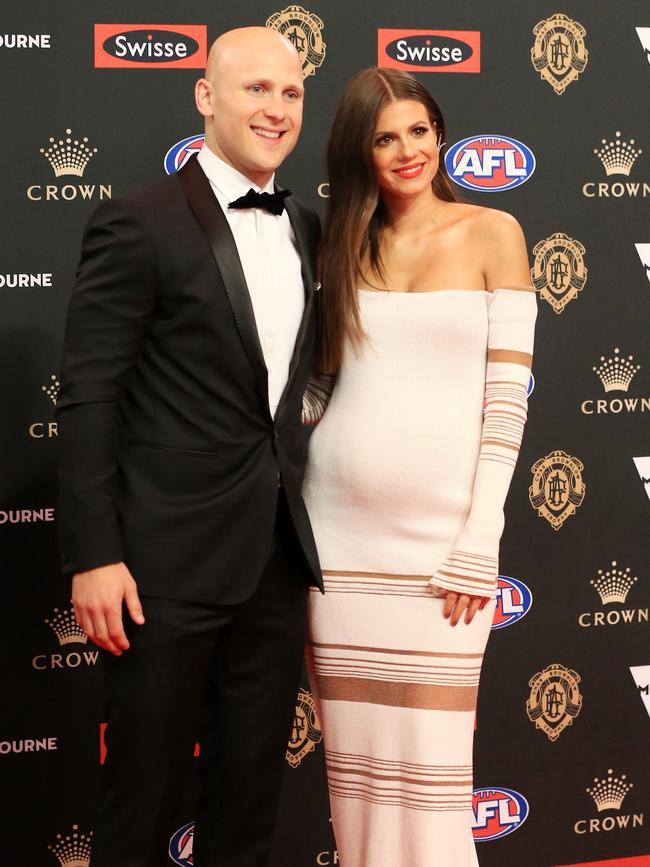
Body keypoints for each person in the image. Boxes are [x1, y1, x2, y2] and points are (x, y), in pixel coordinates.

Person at [56, 27, 322, 867]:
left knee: (248, 802)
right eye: (254, 90)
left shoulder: (309, 230)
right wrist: (94, 552)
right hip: (160, 570)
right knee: (138, 799)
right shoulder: (138, 220)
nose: (275, 109)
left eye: (290, 92)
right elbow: (91, 393)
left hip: (274, 561)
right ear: (206, 97)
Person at [303, 68, 537, 867]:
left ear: (441, 134)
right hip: (337, 539)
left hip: (441, 545)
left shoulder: (492, 232)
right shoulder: (341, 242)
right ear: (359, 152)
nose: (407, 151)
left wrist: (482, 532)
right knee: (355, 773)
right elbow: (319, 389)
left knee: (435, 772)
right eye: (384, 137)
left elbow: (506, 403)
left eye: (419, 131)